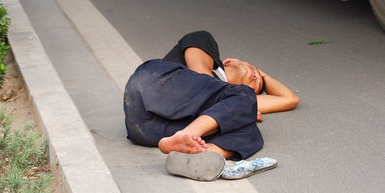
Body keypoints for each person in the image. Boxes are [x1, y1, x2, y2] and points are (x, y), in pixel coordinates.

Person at [124, 31, 299, 161]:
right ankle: (186, 137)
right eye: (253, 69)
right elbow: (202, 76)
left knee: (252, 134)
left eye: (258, 84)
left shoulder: (237, 96)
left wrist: (262, 79)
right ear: (229, 61)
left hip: (149, 132)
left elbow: (290, 99)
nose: (256, 77)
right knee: (244, 108)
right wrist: (237, 109)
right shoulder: (203, 42)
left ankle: (201, 155)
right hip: (150, 89)